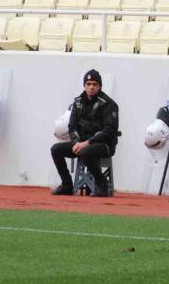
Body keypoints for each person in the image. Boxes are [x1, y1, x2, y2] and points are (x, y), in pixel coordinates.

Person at [51, 70, 119, 198]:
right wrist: (77, 142)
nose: (91, 87)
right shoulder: (78, 102)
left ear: (100, 86)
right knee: (56, 149)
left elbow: (109, 131)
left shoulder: (109, 104)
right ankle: (67, 185)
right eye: (88, 84)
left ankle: (102, 185)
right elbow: (72, 127)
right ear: (84, 85)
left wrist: (86, 143)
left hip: (104, 144)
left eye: (94, 84)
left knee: (85, 151)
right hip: (81, 143)